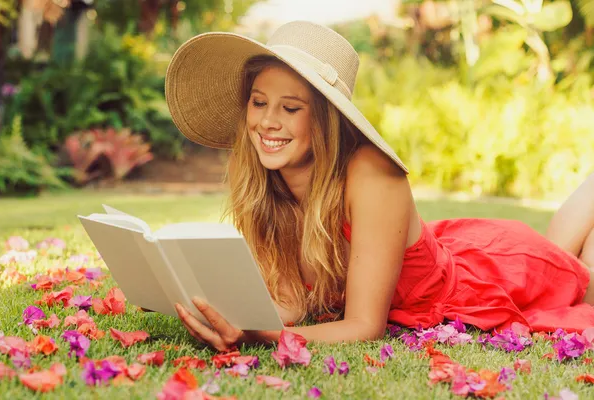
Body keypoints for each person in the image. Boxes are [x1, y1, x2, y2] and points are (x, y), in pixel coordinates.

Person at [164, 21, 594, 352]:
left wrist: (258, 336)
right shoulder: (266, 183)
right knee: (567, 256)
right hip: (450, 250)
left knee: (581, 281)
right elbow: (293, 306)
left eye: (290, 107)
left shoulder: (372, 174)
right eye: (259, 102)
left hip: (486, 280)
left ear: (325, 119)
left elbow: (364, 327)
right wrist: (222, 315)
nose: (267, 122)